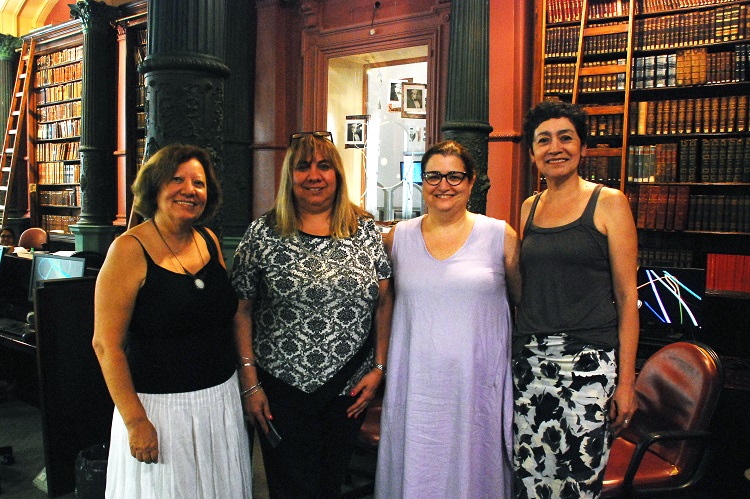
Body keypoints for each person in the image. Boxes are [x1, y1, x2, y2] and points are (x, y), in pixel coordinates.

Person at [230, 130, 393, 498]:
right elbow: (241, 311)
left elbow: (384, 301)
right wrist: (250, 383)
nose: (314, 176)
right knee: (291, 486)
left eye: (324, 166)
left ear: (338, 174)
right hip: (279, 388)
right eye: (303, 167)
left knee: (329, 483)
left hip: (349, 387)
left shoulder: (365, 230)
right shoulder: (262, 233)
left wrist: (379, 368)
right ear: (290, 176)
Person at [92, 144, 253, 498]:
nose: (189, 190)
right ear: (155, 187)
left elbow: (222, 316)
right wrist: (135, 421)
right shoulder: (128, 250)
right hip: (159, 411)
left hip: (218, 401)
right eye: (176, 179)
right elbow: (106, 346)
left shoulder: (208, 240)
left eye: (199, 182)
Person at [375, 140, 521, 498]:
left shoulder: (500, 235)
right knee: (418, 466)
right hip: (417, 386)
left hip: (478, 384)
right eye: (434, 176)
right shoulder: (398, 239)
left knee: (475, 469)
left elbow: (522, 304)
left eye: (455, 176)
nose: (444, 185)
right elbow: (384, 306)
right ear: (421, 182)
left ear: (472, 182)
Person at [513, 100, 639, 498]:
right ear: (532, 153)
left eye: (565, 137)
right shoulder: (528, 209)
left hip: (589, 363)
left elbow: (626, 297)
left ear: (582, 147)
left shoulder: (609, 203)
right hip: (531, 361)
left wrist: (626, 383)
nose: (555, 148)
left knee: (578, 479)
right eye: (543, 140)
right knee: (531, 474)